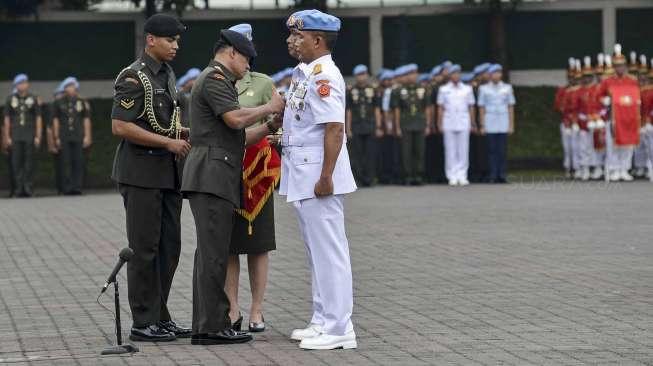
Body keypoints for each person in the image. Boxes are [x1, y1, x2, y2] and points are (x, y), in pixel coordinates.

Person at [181, 29, 285, 345]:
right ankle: (213, 326)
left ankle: (208, 324)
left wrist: (269, 126)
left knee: (212, 252)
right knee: (214, 254)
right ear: (231, 53)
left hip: (216, 173)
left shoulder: (220, 79)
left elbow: (238, 138)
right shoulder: (214, 79)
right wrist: (269, 107)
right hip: (211, 175)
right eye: (247, 59)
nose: (248, 66)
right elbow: (235, 119)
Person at [110, 14, 191, 342]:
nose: (175, 46)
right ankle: (143, 322)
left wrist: (181, 133)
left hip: (167, 174)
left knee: (169, 247)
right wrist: (168, 142)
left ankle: (160, 314)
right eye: (169, 40)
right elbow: (121, 126)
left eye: (177, 41)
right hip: (141, 173)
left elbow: (163, 120)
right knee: (145, 249)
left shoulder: (167, 75)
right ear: (151, 40)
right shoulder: (133, 76)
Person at [282, 9, 358, 350]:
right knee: (316, 252)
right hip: (303, 170)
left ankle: (340, 326)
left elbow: (334, 128)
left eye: (297, 36)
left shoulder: (325, 74)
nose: (290, 41)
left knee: (330, 252)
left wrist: (326, 175)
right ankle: (322, 318)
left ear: (317, 39)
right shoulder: (305, 72)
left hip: (318, 173)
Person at [223, 23, 280, 334]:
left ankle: (257, 308)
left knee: (258, 244)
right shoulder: (218, 82)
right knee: (229, 245)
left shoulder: (263, 83)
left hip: (257, 172)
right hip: (227, 169)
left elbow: (278, 123)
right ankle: (232, 308)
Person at [596, 44, 642, 181]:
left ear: (626, 66)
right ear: (614, 66)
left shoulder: (633, 81)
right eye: (616, 65)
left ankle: (624, 168)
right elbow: (598, 96)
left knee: (628, 143)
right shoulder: (607, 81)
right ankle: (614, 168)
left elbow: (637, 96)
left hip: (629, 116)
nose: (619, 68)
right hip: (614, 116)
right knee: (613, 144)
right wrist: (604, 101)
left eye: (622, 65)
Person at [3, 73, 42, 198]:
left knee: (29, 162)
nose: (22, 85)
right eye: (20, 83)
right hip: (15, 135)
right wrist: (7, 137)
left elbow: (38, 118)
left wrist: (38, 135)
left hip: (29, 134)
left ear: (28, 84)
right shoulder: (10, 99)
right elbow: (7, 119)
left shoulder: (33, 98)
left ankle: (28, 188)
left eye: (24, 83)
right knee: (16, 163)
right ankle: (18, 189)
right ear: (16, 85)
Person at [437, 64, 475, 186]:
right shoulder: (443, 89)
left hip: (463, 121)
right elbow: (441, 108)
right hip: (449, 121)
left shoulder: (467, 89)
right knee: (450, 150)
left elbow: (471, 107)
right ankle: (451, 175)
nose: (456, 76)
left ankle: (462, 175)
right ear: (450, 76)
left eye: (458, 73)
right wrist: (439, 122)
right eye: (453, 73)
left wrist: (473, 122)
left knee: (463, 150)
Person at [52, 77, 92, 194]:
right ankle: (67, 188)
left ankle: (77, 187)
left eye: (73, 86)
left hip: (78, 135)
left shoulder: (82, 102)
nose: (71, 88)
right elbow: (55, 121)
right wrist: (56, 136)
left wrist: (87, 136)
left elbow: (86, 120)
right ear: (64, 88)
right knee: (65, 162)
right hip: (64, 135)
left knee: (78, 162)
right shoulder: (58, 102)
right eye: (69, 86)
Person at [392, 63, 430, 185]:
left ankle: (418, 175)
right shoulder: (399, 91)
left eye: (414, 73)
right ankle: (407, 176)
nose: (412, 76)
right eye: (409, 74)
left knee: (419, 150)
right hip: (406, 124)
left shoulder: (423, 89)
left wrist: (427, 124)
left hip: (419, 123)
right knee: (406, 151)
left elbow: (427, 108)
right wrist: (397, 127)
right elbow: (396, 110)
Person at [477, 64, 515, 183]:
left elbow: (510, 107)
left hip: (503, 121)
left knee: (502, 150)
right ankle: (493, 174)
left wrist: (511, 124)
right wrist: (482, 125)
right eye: (494, 73)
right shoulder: (483, 89)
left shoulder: (507, 88)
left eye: (499, 73)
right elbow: (481, 108)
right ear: (490, 75)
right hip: (490, 122)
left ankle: (502, 174)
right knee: (491, 150)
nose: (497, 75)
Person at [346, 64, 382, 186]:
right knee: (357, 154)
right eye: (359, 74)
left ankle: (370, 178)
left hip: (370, 125)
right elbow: (348, 111)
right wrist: (348, 128)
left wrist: (378, 126)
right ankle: (358, 179)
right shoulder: (351, 91)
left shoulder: (373, 90)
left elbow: (377, 109)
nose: (362, 77)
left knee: (370, 154)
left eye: (364, 74)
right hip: (356, 126)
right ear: (356, 76)